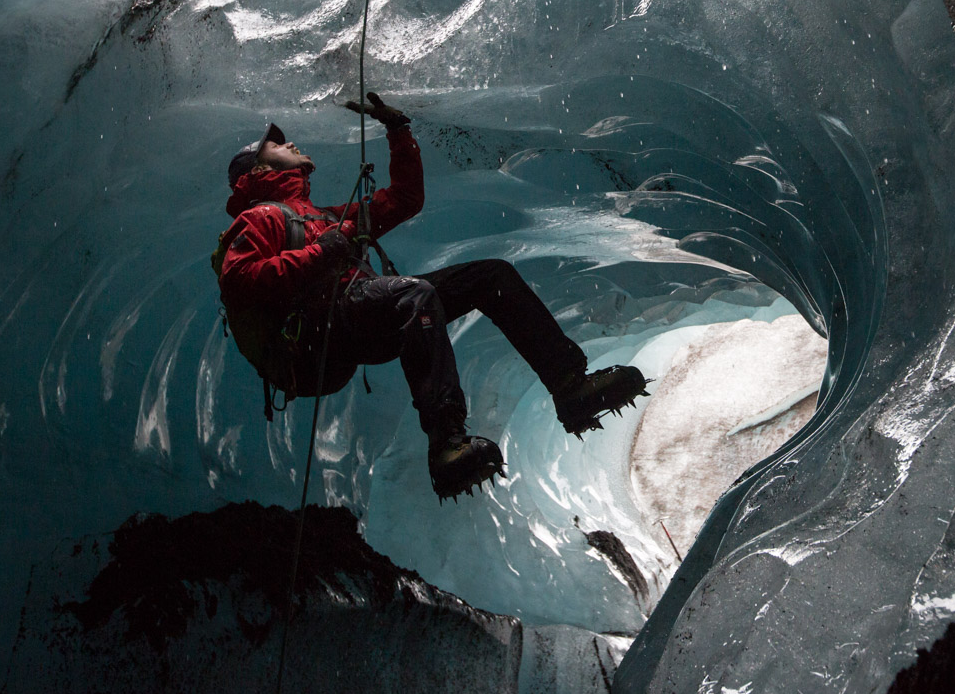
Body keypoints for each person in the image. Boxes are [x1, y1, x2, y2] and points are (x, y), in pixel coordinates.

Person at [215, 93, 647, 500]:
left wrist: (398, 131)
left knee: (490, 276)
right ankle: (446, 443)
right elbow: (240, 280)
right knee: (414, 295)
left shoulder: (323, 217)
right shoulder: (261, 217)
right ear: (257, 172)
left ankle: (570, 387)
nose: (288, 142)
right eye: (274, 145)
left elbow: (405, 199)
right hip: (321, 328)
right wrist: (322, 251)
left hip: (361, 314)